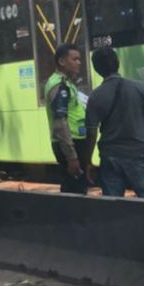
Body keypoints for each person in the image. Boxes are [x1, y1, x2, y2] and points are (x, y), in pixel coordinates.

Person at [85, 46, 144, 200]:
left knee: (113, 204)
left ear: (96, 68)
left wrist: (88, 162)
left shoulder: (95, 96)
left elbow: (92, 134)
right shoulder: (138, 88)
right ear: (117, 63)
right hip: (138, 152)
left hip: (110, 155)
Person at [44, 44, 91, 195]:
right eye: (75, 59)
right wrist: (71, 157)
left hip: (75, 142)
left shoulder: (67, 83)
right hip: (70, 144)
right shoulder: (60, 85)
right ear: (62, 62)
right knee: (74, 191)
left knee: (77, 189)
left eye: (79, 59)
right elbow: (60, 122)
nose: (79, 62)